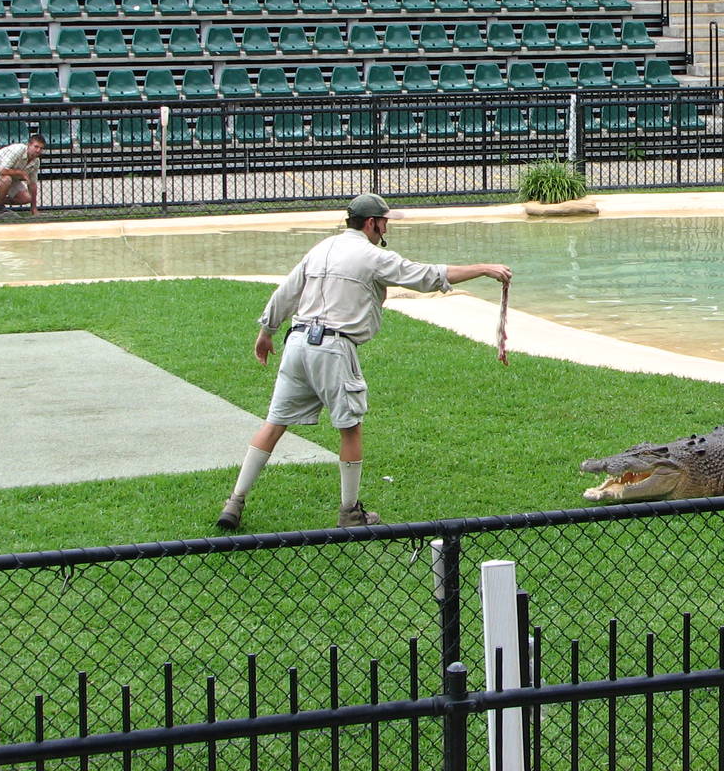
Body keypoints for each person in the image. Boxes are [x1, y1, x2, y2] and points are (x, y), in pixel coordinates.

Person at [217, 193, 512, 531]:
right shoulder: (373, 257)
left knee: (274, 424)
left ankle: (235, 501)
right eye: (384, 221)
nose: (387, 226)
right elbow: (426, 276)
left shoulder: (320, 249)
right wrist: (483, 269)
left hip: (297, 342)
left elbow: (287, 291)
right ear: (372, 223)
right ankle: (350, 513)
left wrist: (267, 331)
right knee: (350, 428)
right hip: (332, 348)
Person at [0, 132, 47, 216]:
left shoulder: (36, 161)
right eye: (36, 147)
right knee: (6, 179)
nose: (38, 150)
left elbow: (33, 185)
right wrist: (21, 173)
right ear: (28, 145)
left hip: (9, 176)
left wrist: (34, 208)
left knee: (26, 198)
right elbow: (2, 170)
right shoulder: (18, 149)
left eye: (41, 148)